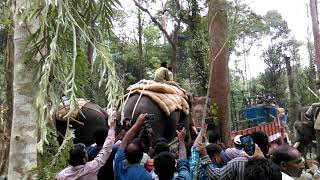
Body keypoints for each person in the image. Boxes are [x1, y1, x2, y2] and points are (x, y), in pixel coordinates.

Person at [198, 131, 268, 180]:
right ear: (267, 148)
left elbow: (216, 176)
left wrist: (204, 156)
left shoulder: (237, 162)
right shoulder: (273, 166)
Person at [114, 114, 152, 180]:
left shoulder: (118, 163)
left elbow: (125, 140)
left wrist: (137, 124)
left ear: (125, 154)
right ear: (142, 156)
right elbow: (125, 141)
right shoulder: (145, 176)